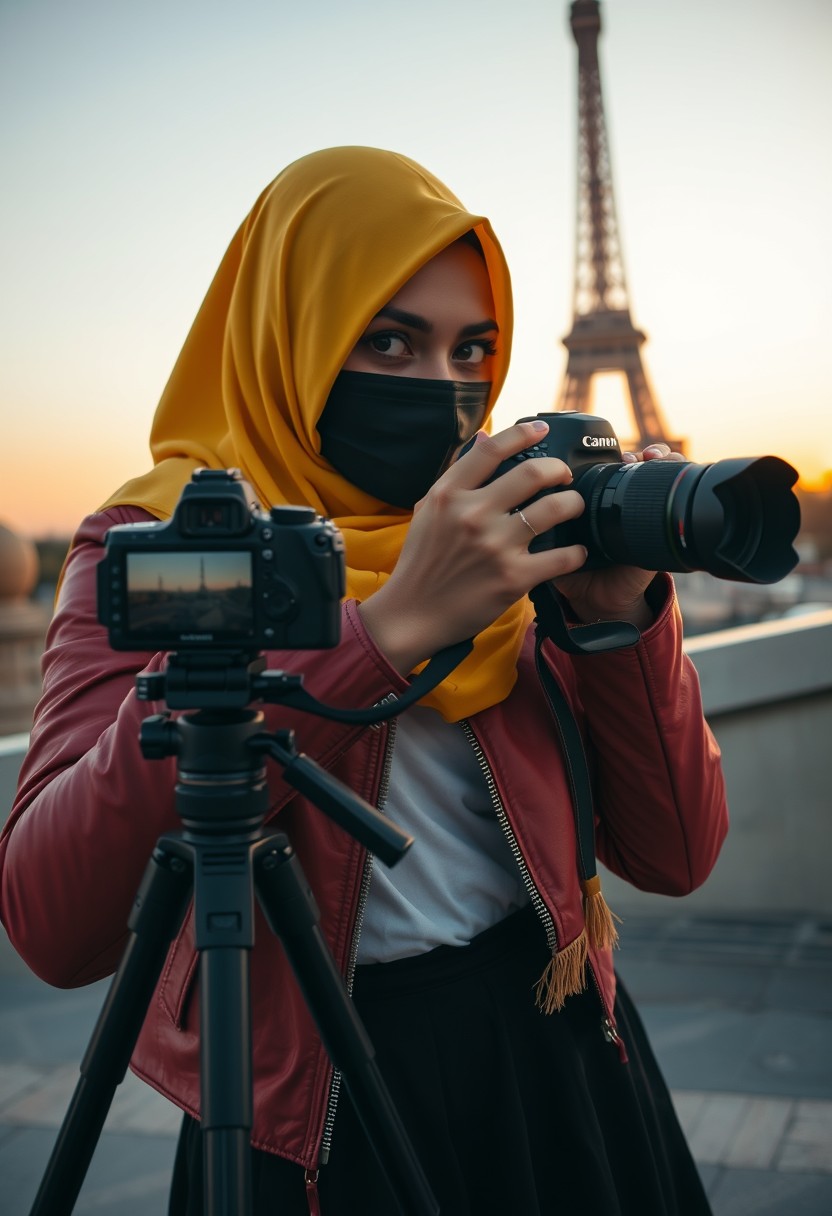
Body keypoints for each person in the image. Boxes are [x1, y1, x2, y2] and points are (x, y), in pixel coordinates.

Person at [0, 146, 727, 1215]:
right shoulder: (151, 542)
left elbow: (675, 852)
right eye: (387, 339)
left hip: (559, 1048)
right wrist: (380, 629)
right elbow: (53, 921)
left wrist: (623, 624)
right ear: (287, 336)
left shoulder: (498, 523)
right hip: (314, 1105)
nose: (441, 387)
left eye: (472, 348)